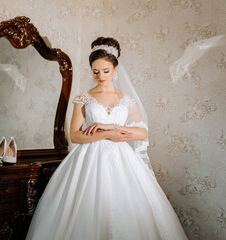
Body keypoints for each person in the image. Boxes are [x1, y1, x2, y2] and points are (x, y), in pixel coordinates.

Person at [26, 37, 188, 240]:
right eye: (95, 71)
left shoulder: (126, 100)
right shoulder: (83, 98)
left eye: (105, 71)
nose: (100, 76)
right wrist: (108, 134)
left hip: (123, 160)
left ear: (115, 69)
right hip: (89, 159)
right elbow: (75, 135)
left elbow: (142, 133)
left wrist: (112, 126)